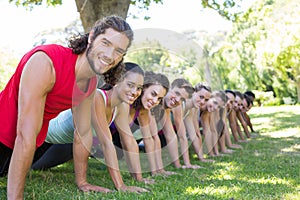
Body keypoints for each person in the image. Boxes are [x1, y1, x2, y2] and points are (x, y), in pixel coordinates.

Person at [0, 15, 133, 198]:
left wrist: (83, 182)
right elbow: (25, 135)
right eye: (105, 43)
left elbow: (83, 134)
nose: (110, 55)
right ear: (92, 37)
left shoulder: (90, 84)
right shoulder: (46, 62)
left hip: (32, 146)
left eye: (119, 51)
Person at [31, 62, 149, 193]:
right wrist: (121, 186)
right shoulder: (97, 97)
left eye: (139, 88)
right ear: (116, 81)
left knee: (34, 167)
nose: (135, 92)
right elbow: (106, 143)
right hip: (38, 132)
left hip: (59, 142)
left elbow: (129, 141)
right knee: (9, 170)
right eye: (130, 85)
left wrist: (139, 178)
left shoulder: (122, 106)